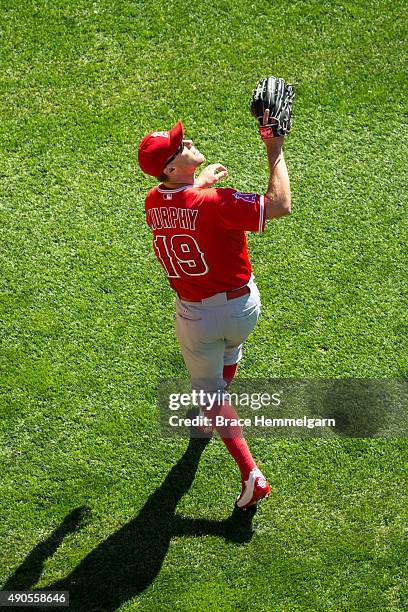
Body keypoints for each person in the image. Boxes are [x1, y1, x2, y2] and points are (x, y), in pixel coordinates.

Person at [138, 120, 291, 509]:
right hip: (243, 310)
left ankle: (249, 472)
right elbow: (279, 205)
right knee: (225, 358)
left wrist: (197, 182)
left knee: (207, 391)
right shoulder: (215, 202)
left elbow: (181, 204)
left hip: (197, 319)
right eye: (179, 146)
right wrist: (274, 147)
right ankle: (218, 428)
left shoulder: (152, 202)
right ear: (172, 169)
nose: (186, 140)